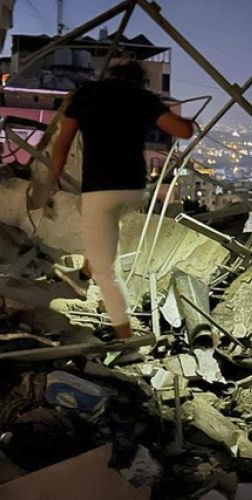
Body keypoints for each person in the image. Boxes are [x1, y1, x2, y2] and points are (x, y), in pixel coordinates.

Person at [48, 60, 195, 339]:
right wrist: (190, 124)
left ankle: (125, 336)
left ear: (108, 76)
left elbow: (63, 141)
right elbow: (182, 131)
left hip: (99, 190)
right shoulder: (142, 98)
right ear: (139, 81)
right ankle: (85, 272)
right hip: (133, 189)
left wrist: (52, 178)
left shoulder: (86, 95)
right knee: (103, 233)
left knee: (106, 268)